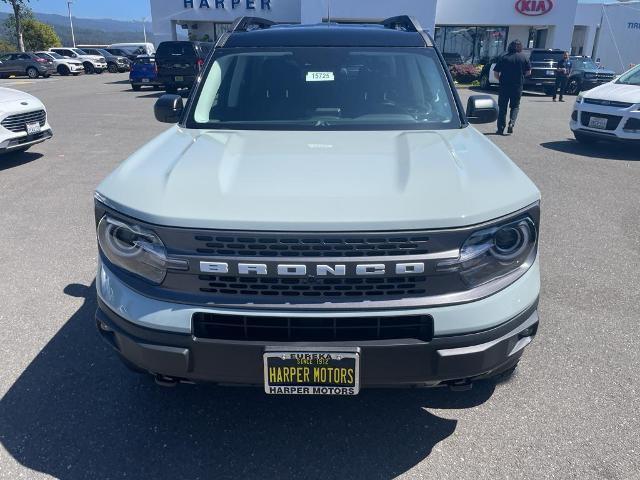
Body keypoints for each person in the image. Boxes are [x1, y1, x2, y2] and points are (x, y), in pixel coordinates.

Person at [493, 40, 531, 135]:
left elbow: (496, 73)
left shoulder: (504, 57)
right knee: (515, 106)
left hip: (504, 86)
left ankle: (501, 128)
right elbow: (529, 72)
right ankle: (512, 122)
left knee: (502, 107)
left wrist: (501, 80)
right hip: (517, 86)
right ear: (520, 47)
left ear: (510, 47)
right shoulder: (524, 57)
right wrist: (521, 77)